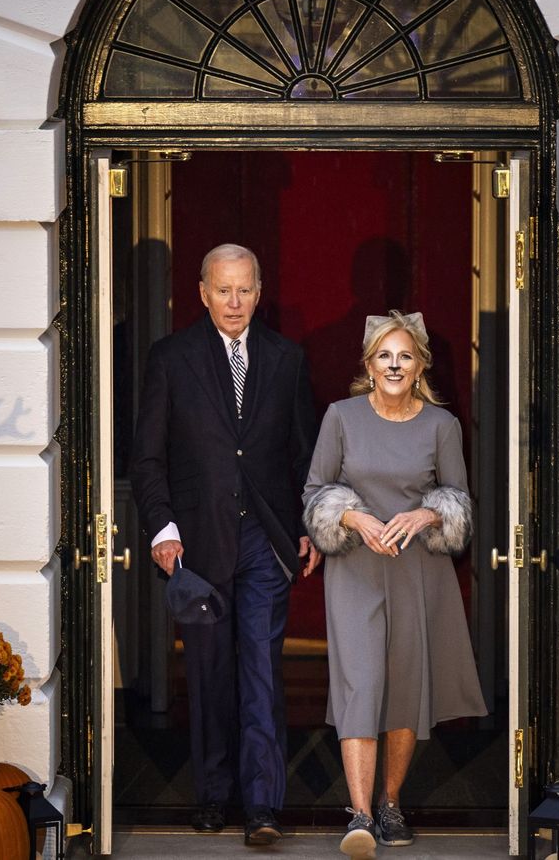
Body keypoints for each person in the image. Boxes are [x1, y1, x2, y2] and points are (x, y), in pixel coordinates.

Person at [131, 243, 320, 846]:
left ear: (259, 292)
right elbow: (148, 457)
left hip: (264, 541)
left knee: (263, 672)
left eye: (245, 290)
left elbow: (302, 454)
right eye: (223, 289)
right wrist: (163, 529)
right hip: (198, 544)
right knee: (210, 675)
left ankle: (263, 806)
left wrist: (307, 523)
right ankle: (214, 796)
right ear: (203, 292)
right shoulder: (172, 358)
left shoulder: (286, 358)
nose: (234, 302)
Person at [302, 311, 486, 860]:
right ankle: (358, 814)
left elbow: (460, 501)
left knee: (404, 685)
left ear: (420, 364)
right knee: (360, 682)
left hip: (417, 573)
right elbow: (316, 491)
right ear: (369, 363)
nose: (395, 365)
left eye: (405, 355)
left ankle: (389, 803)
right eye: (385, 355)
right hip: (356, 568)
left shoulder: (441, 426)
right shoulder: (340, 417)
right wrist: (354, 518)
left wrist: (427, 516)